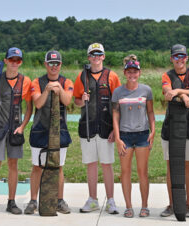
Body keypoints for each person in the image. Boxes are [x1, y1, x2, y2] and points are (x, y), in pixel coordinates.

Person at [0, 47, 33, 216]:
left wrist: (22, 126)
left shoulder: (26, 81)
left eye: (18, 60)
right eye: (12, 60)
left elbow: (29, 108)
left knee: (13, 165)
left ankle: (11, 202)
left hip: (15, 130)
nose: (14, 63)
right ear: (6, 60)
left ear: (21, 62)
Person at [73, 43, 121, 214]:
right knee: (91, 164)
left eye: (98, 54)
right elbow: (76, 101)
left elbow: (117, 105)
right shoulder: (82, 76)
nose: (96, 57)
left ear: (103, 56)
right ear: (88, 57)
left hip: (106, 128)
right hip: (87, 127)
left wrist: (115, 130)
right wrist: (82, 99)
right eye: (92, 54)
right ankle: (92, 199)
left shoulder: (112, 76)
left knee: (107, 164)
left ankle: (111, 200)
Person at [24, 50, 73, 214]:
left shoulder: (66, 82)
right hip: (40, 130)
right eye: (51, 63)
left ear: (61, 65)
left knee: (58, 166)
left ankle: (59, 200)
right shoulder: (37, 82)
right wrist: (47, 90)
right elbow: (37, 103)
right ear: (45, 64)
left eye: (57, 63)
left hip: (60, 131)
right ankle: (33, 201)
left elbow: (67, 101)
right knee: (37, 166)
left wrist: (59, 89)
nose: (54, 66)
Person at [112, 55, 155, 218]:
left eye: (135, 72)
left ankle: (145, 206)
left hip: (143, 135)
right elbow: (115, 116)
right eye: (129, 72)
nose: (132, 75)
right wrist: (117, 138)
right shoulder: (118, 92)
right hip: (125, 137)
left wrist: (153, 130)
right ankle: (128, 207)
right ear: (124, 73)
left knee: (142, 172)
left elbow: (150, 112)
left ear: (139, 72)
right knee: (125, 172)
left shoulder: (146, 90)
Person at [159, 44, 189, 218]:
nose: (179, 60)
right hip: (171, 126)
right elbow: (168, 93)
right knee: (171, 166)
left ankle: (188, 204)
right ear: (171, 59)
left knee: (188, 165)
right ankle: (172, 203)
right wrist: (183, 95)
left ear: (187, 58)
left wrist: (179, 91)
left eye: (182, 56)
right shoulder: (166, 75)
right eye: (176, 56)